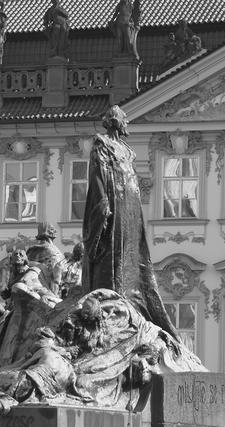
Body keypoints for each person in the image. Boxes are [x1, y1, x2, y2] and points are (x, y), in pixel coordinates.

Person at [82, 106, 179, 342]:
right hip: (115, 207)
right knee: (113, 257)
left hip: (130, 209)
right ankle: (113, 306)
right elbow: (97, 179)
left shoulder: (126, 150)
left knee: (134, 260)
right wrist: (103, 206)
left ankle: (131, 305)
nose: (127, 123)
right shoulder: (102, 145)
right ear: (115, 121)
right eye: (124, 119)